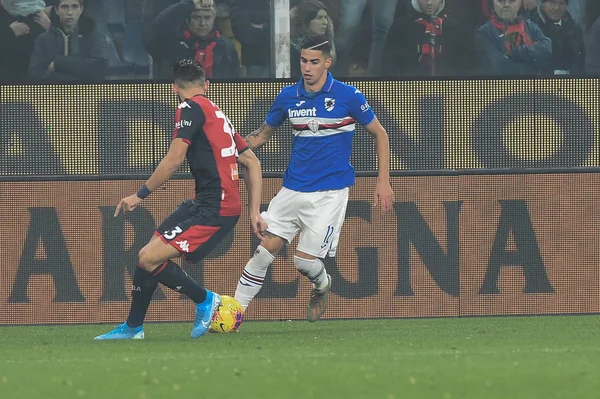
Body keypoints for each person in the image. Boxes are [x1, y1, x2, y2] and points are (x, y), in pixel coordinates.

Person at [95, 59, 265, 340]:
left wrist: (139, 195)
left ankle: (206, 300)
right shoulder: (217, 113)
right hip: (204, 204)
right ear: (206, 85)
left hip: (215, 209)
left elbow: (174, 160)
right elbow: (252, 162)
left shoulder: (189, 108)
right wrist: (254, 211)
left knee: (148, 257)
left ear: (174, 88)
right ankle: (133, 328)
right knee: (147, 256)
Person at [234, 36, 394, 322]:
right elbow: (259, 137)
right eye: (303, 61)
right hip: (292, 189)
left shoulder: (348, 96)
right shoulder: (287, 97)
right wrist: (230, 151)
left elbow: (380, 133)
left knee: (302, 261)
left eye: (314, 62)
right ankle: (233, 314)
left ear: (327, 63)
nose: (307, 67)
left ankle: (322, 285)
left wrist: (383, 181)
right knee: (262, 253)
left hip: (329, 194)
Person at [28, 0, 108, 81]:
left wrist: (58, 63)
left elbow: (100, 69)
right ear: (56, 10)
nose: (70, 12)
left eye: (74, 7)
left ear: (81, 9)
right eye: (64, 7)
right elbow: (35, 77)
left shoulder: (94, 36)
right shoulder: (43, 39)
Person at [475, 0, 552, 75]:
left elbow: (546, 51)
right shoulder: (483, 33)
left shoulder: (531, 27)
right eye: (500, 1)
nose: (506, 4)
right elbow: (501, 67)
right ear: (494, 5)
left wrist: (515, 53)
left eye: (512, 1)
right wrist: (532, 62)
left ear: (519, 4)